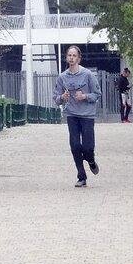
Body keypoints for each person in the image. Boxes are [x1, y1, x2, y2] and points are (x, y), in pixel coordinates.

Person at [53, 46, 100, 187]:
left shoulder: (88, 75)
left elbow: (97, 94)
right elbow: (55, 98)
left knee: (88, 147)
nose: (71, 58)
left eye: (74, 55)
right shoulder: (62, 77)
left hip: (87, 115)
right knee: (74, 146)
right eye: (69, 55)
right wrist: (63, 97)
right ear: (66, 58)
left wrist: (85, 96)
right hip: (72, 114)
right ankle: (81, 176)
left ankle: (91, 160)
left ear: (79, 58)